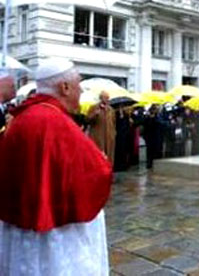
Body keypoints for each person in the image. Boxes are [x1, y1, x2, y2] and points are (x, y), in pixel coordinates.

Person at [0, 59, 112, 275]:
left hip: (20, 228)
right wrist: (100, 162)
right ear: (65, 87)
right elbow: (93, 174)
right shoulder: (54, 121)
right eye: (79, 84)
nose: (81, 90)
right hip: (56, 237)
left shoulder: (22, 117)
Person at [88, 91, 116, 165]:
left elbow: (114, 122)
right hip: (98, 136)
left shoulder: (111, 109)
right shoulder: (93, 107)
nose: (107, 99)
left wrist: (113, 133)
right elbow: (87, 120)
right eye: (105, 97)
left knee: (109, 156)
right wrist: (94, 114)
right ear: (101, 98)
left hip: (109, 137)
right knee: (98, 155)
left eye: (108, 98)